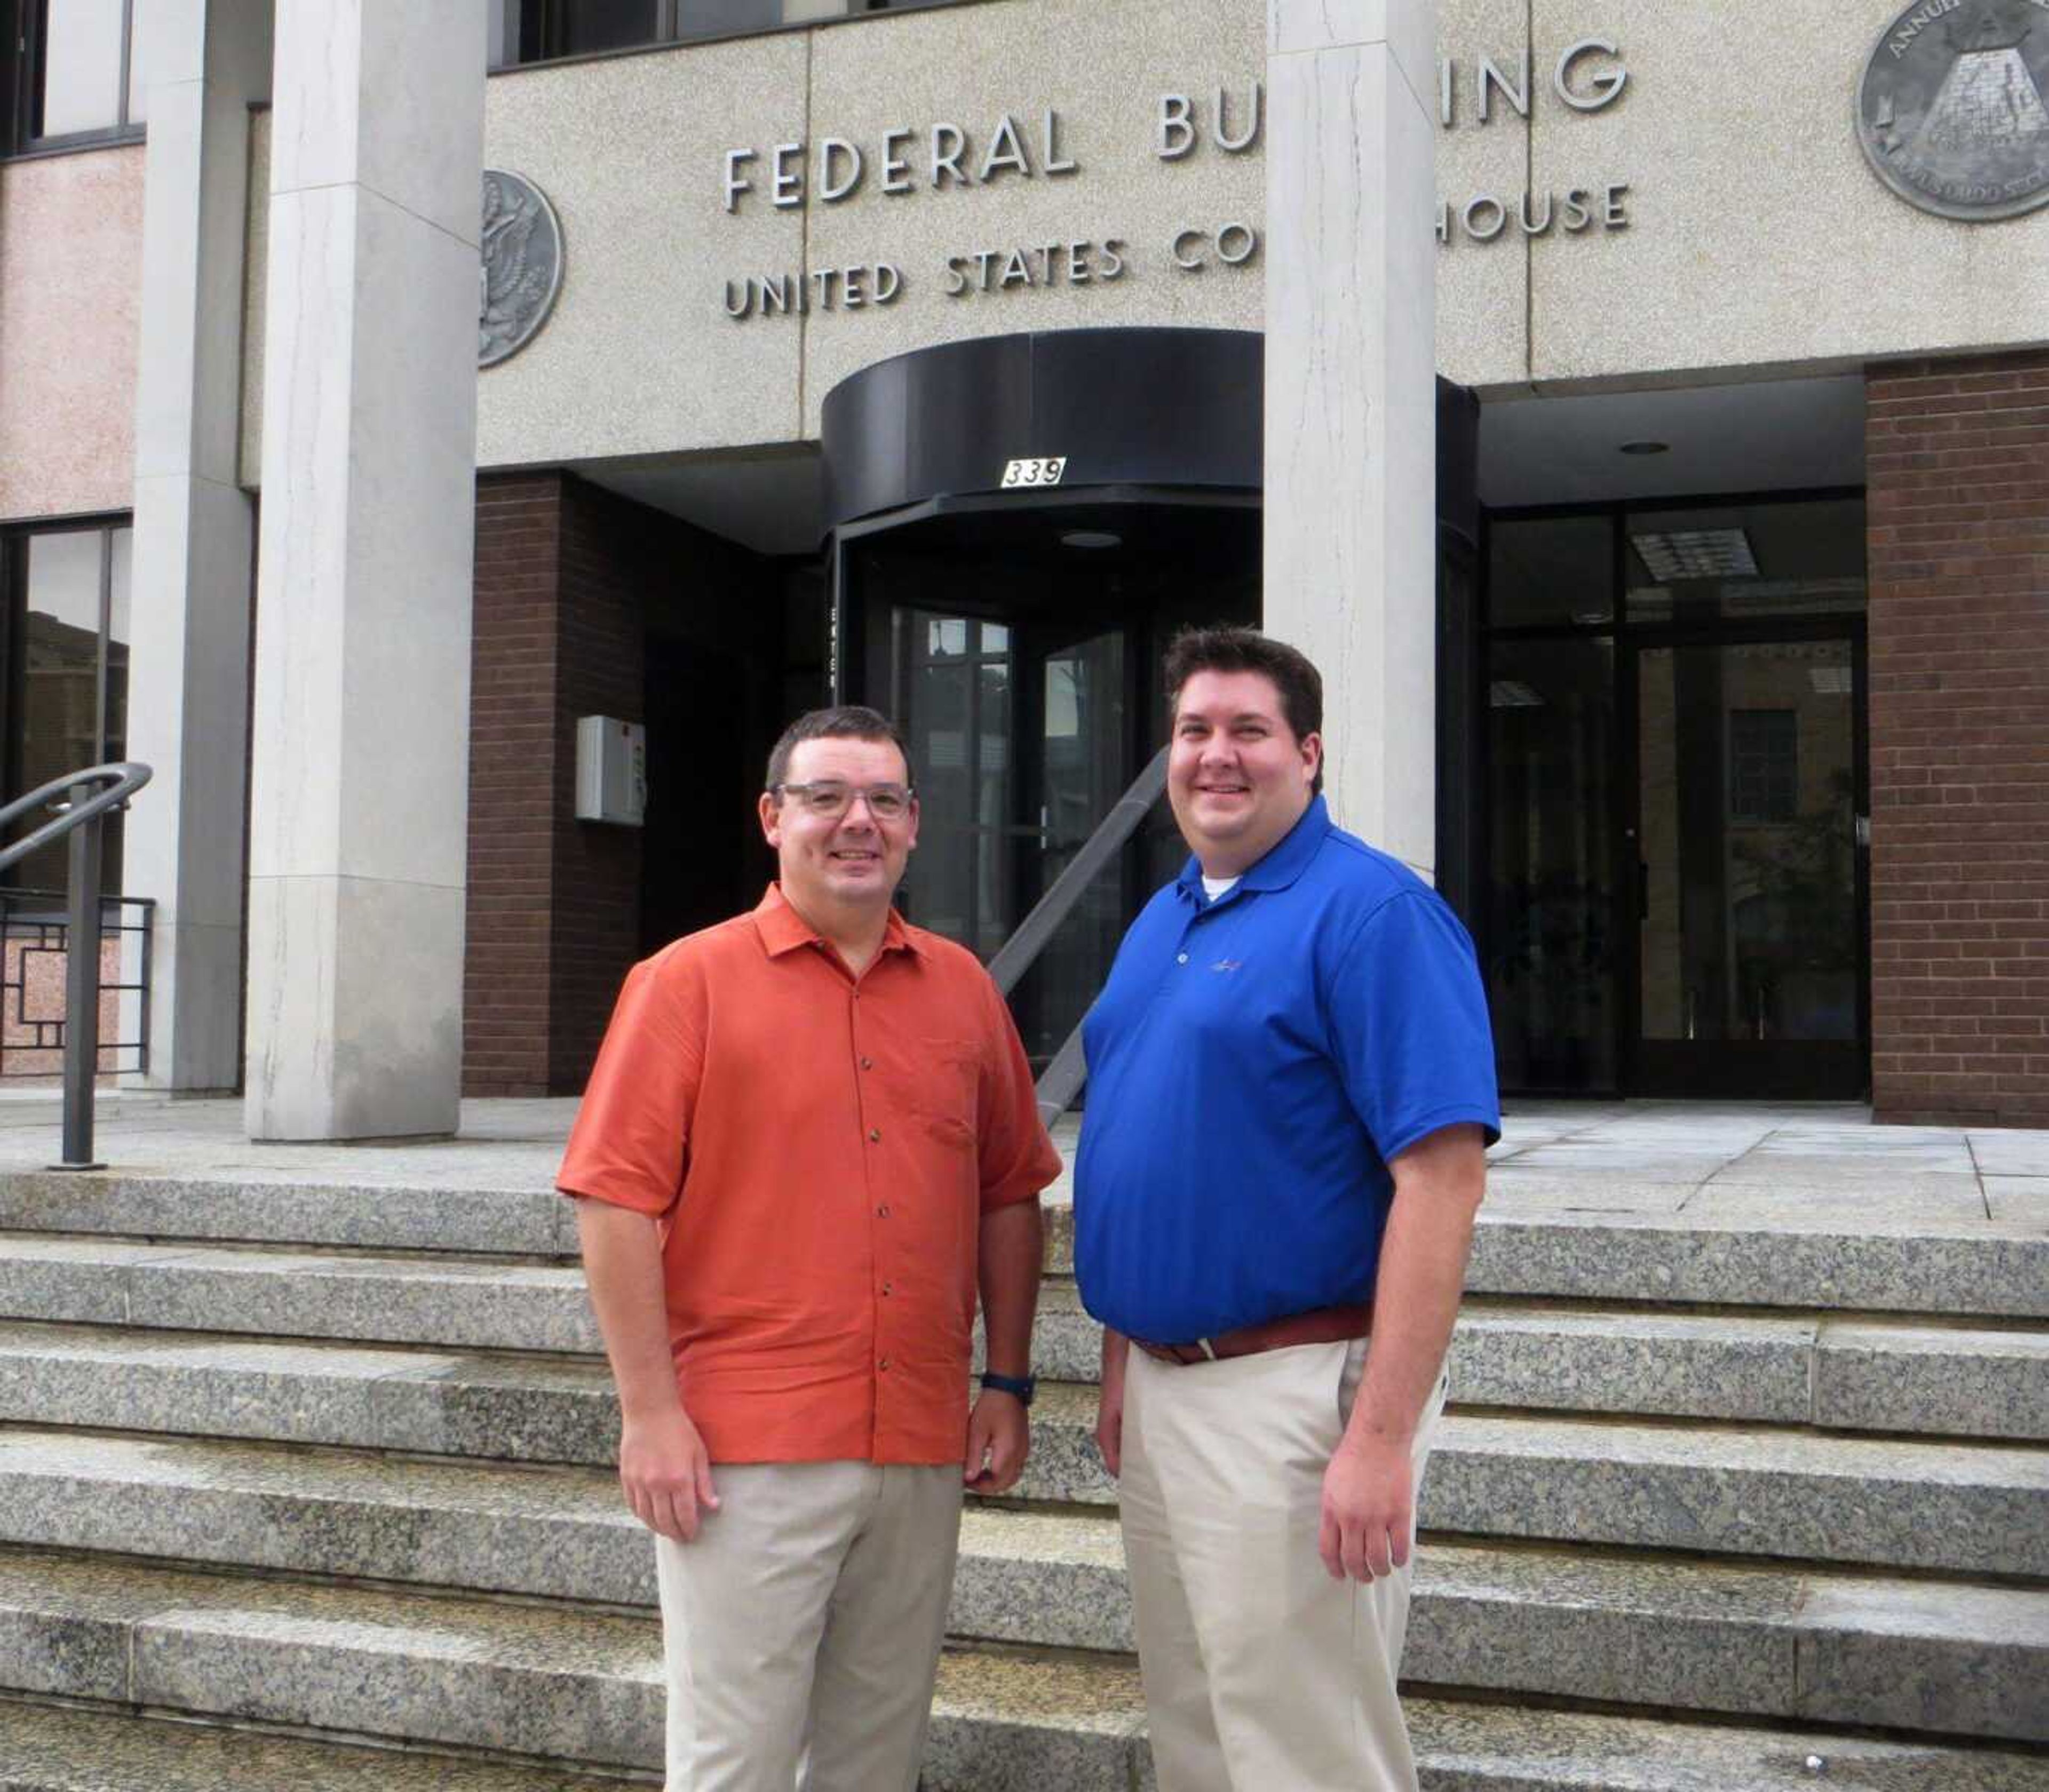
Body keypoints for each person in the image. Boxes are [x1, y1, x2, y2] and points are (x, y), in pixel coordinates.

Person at [558, 704, 1059, 1792]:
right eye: (827, 797)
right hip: (748, 1449)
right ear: (772, 817)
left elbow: (1011, 1197)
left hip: (920, 1446)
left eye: (882, 799)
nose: (857, 822)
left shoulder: (965, 991)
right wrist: (649, 1417)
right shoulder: (684, 983)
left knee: (875, 1761)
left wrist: (1007, 1380)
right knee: (734, 1763)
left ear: (916, 824)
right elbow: (611, 1204)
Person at [1075, 628, 1499, 1792]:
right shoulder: (1167, 916)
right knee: (1200, 1731)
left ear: (1308, 755)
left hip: (1295, 1402)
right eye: (1195, 730)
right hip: (1168, 1392)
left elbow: (1442, 1179)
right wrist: (1126, 1358)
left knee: (1309, 1754)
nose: (1218, 755)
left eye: (1249, 731)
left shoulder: (1372, 915)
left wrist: (1380, 1438)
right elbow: (1160, 1147)